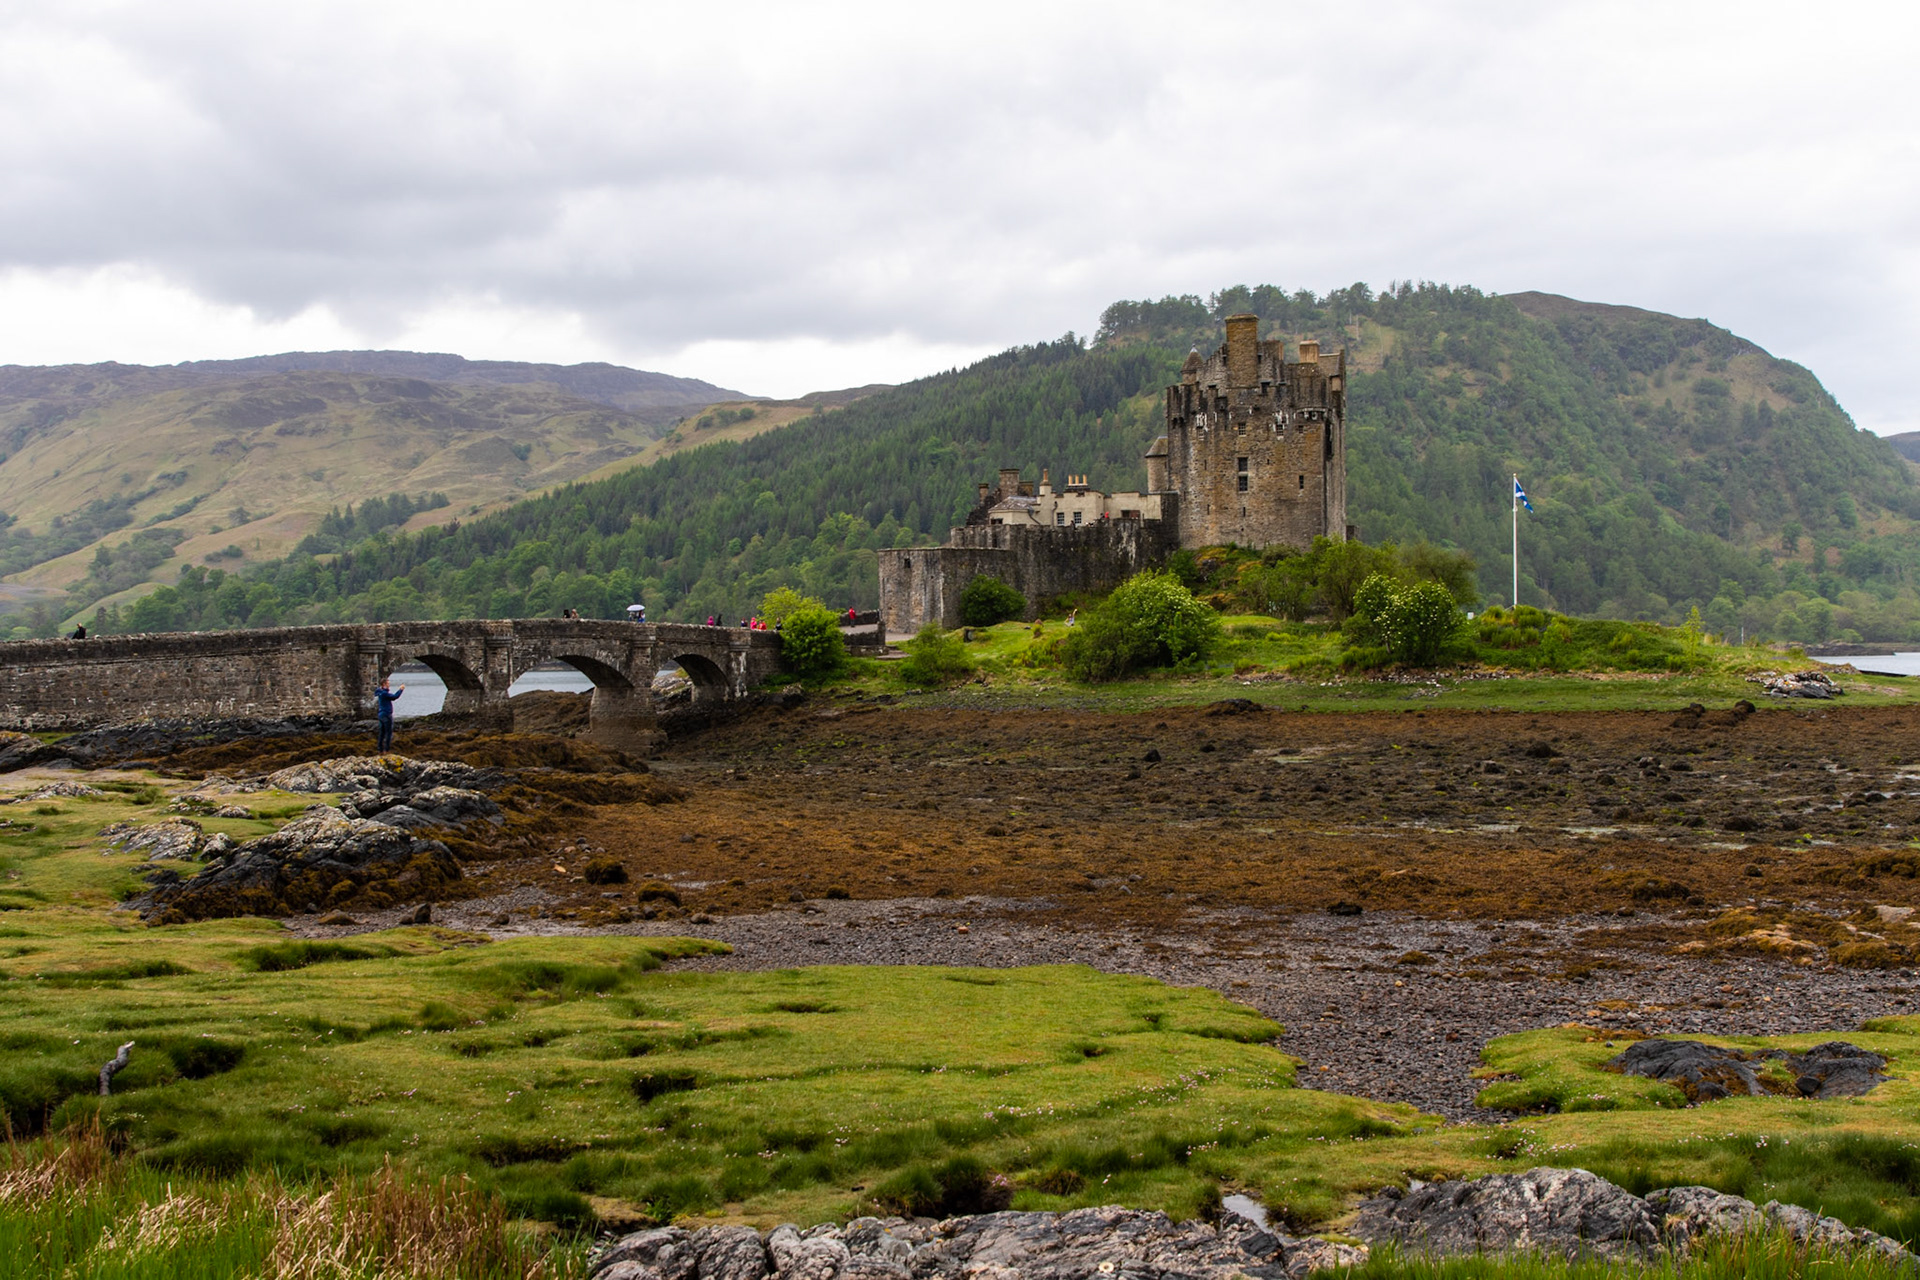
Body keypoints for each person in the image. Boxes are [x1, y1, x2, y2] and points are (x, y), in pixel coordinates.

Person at [374, 677, 405, 752]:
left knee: (382, 733)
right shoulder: (384, 693)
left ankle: (380, 749)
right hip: (386, 714)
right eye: (388, 684)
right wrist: (401, 689)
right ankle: (386, 750)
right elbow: (394, 697)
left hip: (381, 714)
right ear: (384, 684)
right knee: (388, 733)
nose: (389, 685)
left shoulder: (379, 691)